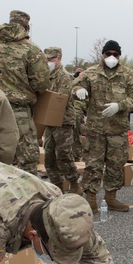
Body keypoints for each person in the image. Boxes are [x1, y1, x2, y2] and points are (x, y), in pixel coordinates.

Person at [72, 40, 133, 214]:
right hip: (95, 129)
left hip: (117, 130)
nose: (111, 57)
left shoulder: (128, 74)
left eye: (115, 54)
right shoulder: (90, 73)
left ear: (120, 56)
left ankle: (111, 198)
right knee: (93, 165)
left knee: (115, 165)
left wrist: (120, 105)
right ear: (102, 55)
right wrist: (77, 92)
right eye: (108, 53)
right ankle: (90, 199)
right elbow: (75, 90)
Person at [0, 10, 49, 174]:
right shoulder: (30, 49)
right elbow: (41, 83)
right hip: (18, 110)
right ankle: (27, 196)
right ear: (27, 26)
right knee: (27, 157)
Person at [43, 47, 82, 194]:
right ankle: (57, 187)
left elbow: (61, 100)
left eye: (51, 59)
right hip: (50, 121)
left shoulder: (64, 77)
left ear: (59, 58)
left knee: (64, 156)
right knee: (49, 157)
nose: (48, 62)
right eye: (46, 59)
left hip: (63, 122)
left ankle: (74, 183)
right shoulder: (48, 75)